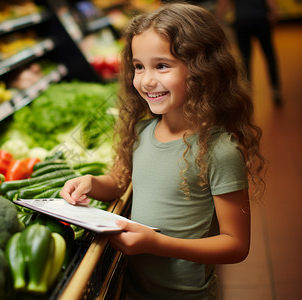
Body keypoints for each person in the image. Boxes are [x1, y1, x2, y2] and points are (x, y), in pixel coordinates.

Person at [60, 3, 266, 299]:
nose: (146, 80)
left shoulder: (218, 149)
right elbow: (119, 182)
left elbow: (235, 245)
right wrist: (92, 183)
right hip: (134, 289)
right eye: (139, 66)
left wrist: (157, 244)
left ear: (202, 70)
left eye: (162, 65)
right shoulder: (142, 132)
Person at [216, 0, 283, 106]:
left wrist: (218, 19)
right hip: (261, 19)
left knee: (245, 58)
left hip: (242, 21)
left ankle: (247, 92)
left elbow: (223, 2)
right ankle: (275, 90)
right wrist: (274, 12)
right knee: (269, 55)